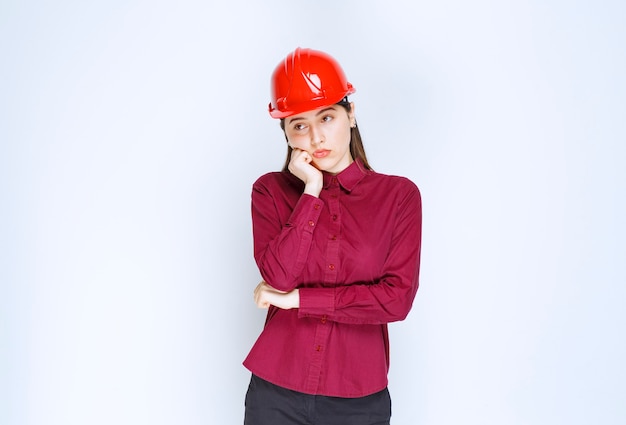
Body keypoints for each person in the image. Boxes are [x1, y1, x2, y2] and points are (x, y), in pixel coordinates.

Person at [243, 47, 422, 425]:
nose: (316, 137)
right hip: (275, 390)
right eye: (299, 125)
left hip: (358, 398)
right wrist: (311, 190)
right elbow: (278, 275)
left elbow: (396, 300)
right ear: (287, 133)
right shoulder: (270, 192)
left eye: (327, 117)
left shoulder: (399, 196)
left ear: (351, 114)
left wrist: (297, 301)